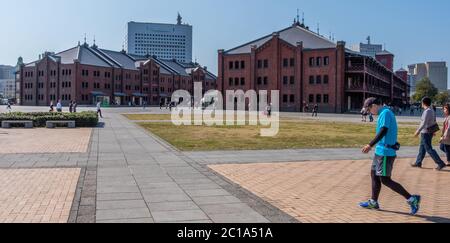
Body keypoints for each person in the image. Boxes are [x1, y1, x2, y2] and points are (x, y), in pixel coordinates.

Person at [359, 97, 421, 215]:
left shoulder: (386, 113)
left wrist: (370, 145)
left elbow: (383, 131)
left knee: (385, 179)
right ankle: (373, 201)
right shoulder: (384, 112)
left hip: (386, 152)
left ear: (374, 105)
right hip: (381, 150)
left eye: (369, 109)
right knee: (374, 175)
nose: (369, 112)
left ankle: (412, 199)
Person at [412, 97, 447, 171]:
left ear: (423, 103)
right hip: (428, 132)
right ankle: (418, 162)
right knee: (422, 148)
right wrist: (433, 131)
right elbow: (433, 121)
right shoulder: (431, 110)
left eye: (421, 102)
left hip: (425, 132)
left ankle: (440, 163)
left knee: (428, 149)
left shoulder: (427, 111)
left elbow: (424, 123)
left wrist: (418, 131)